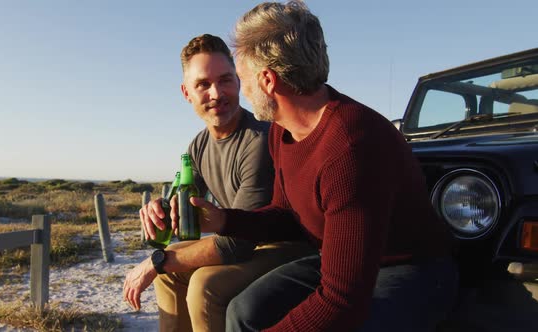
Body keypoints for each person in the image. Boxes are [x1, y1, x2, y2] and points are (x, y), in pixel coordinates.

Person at [190, 2, 459, 331]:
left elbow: (341, 303)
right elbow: (287, 216)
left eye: (242, 78)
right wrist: (223, 219)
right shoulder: (283, 130)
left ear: (267, 80)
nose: (243, 90)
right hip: (340, 260)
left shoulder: (351, 145)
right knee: (243, 312)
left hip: (411, 270)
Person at [122, 34, 315, 332]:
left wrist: (156, 260)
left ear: (239, 82)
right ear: (187, 93)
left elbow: (237, 244)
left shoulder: (259, 140)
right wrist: (159, 209)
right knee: (169, 275)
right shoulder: (198, 146)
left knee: (204, 284)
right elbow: (185, 206)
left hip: (285, 244)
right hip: (243, 241)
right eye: (203, 84)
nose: (216, 93)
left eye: (225, 80)